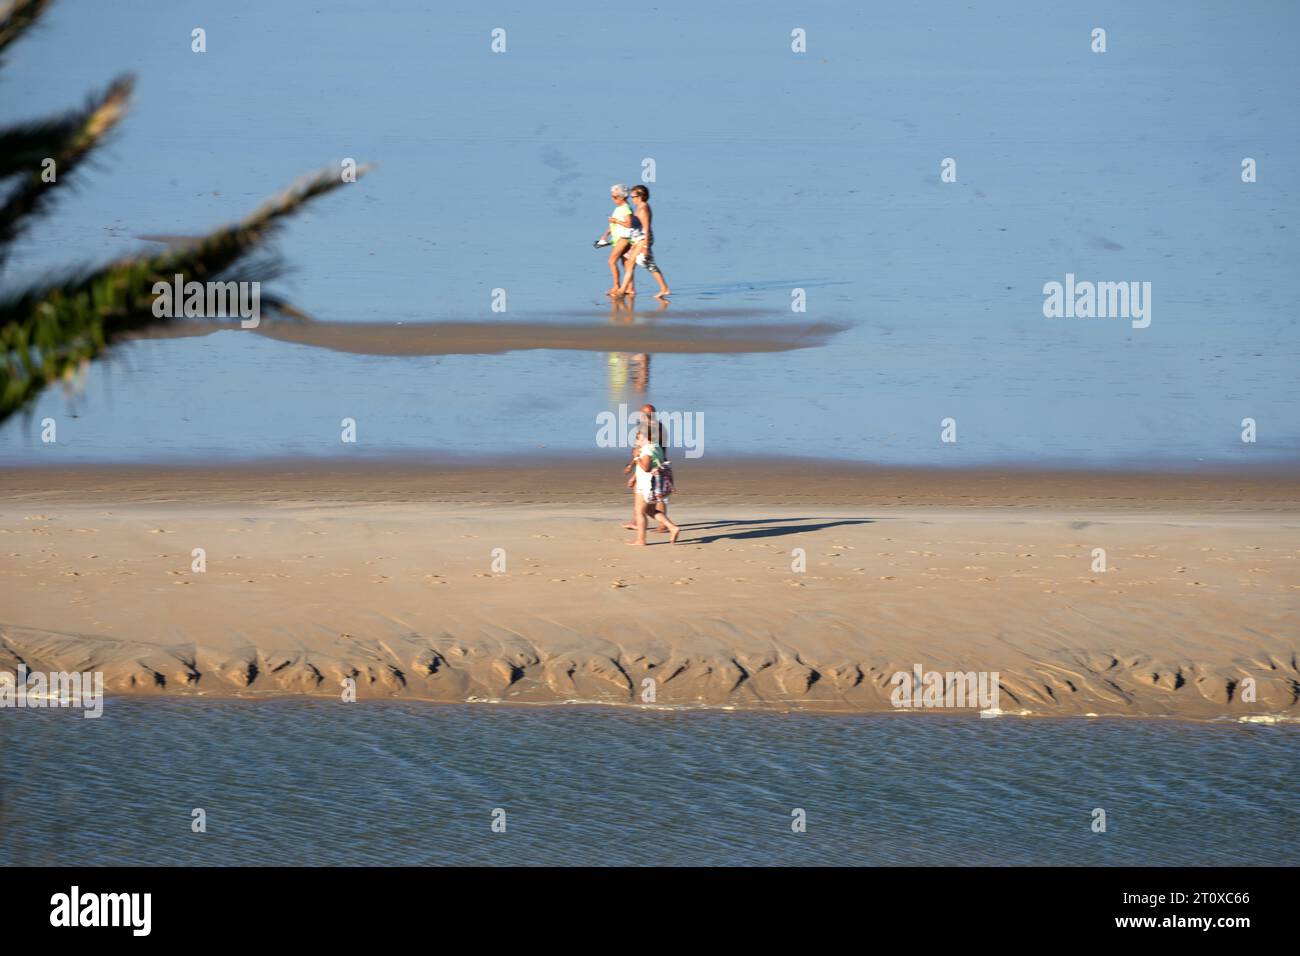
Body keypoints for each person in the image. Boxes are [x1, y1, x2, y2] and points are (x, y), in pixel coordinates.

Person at [627, 427, 680, 546]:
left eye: (639, 437)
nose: (636, 440)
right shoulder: (657, 447)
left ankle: (641, 540)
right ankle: (672, 527)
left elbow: (645, 467)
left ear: (648, 438)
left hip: (646, 484)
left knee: (639, 511)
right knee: (650, 510)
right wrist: (634, 477)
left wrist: (636, 457)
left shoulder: (647, 450)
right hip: (654, 484)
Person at [623, 404, 670, 531]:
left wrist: (632, 465)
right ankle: (637, 521)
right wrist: (631, 464)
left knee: (656, 495)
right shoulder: (649, 426)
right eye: (644, 414)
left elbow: (644, 449)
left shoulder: (654, 428)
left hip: (654, 464)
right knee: (651, 494)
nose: (645, 416)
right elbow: (638, 448)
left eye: (648, 414)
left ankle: (662, 524)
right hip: (653, 462)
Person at [619, 185, 670, 299]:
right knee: (633, 260)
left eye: (634, 196)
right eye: (631, 196)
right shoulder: (640, 207)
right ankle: (629, 288)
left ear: (641, 196)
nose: (632, 199)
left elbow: (646, 227)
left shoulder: (644, 208)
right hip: (639, 238)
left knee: (638, 263)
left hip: (644, 238)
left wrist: (646, 246)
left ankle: (623, 290)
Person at [595, 184, 635, 296]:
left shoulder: (625, 208)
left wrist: (616, 221)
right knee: (625, 263)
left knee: (611, 261)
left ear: (622, 197)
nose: (613, 199)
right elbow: (613, 224)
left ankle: (616, 286)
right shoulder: (619, 208)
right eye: (612, 196)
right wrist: (605, 235)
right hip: (618, 239)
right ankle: (630, 288)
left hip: (624, 239)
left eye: (615, 197)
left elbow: (629, 224)